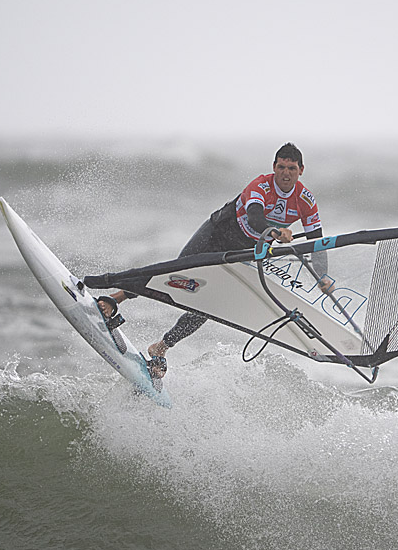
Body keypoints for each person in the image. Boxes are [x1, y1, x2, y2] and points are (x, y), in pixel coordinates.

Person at [109, 142, 331, 376]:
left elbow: (317, 242)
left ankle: (161, 348)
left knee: (207, 305)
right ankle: (118, 297)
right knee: (175, 272)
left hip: (243, 252)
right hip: (217, 233)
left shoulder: (305, 200)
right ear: (274, 167)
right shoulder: (260, 185)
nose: (286, 173)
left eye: (292, 168)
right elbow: (255, 217)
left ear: (301, 170)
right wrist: (276, 232)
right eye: (281, 167)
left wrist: (323, 277)